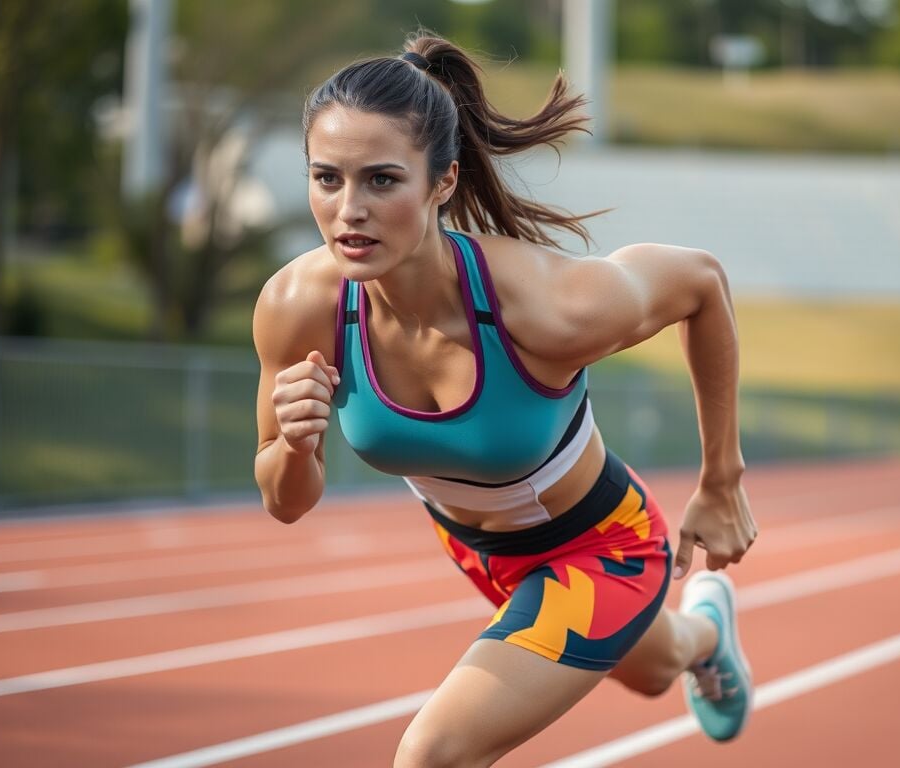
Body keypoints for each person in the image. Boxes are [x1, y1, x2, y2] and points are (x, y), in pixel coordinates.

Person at [252, 32, 757, 767]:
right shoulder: (297, 306)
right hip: (479, 551)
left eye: (382, 181)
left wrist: (721, 480)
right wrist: (294, 445)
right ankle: (706, 634)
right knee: (653, 669)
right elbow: (284, 501)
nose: (348, 211)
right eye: (327, 179)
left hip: (599, 545)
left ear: (443, 182)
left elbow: (702, 283)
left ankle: (696, 629)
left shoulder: (547, 306)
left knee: (432, 756)